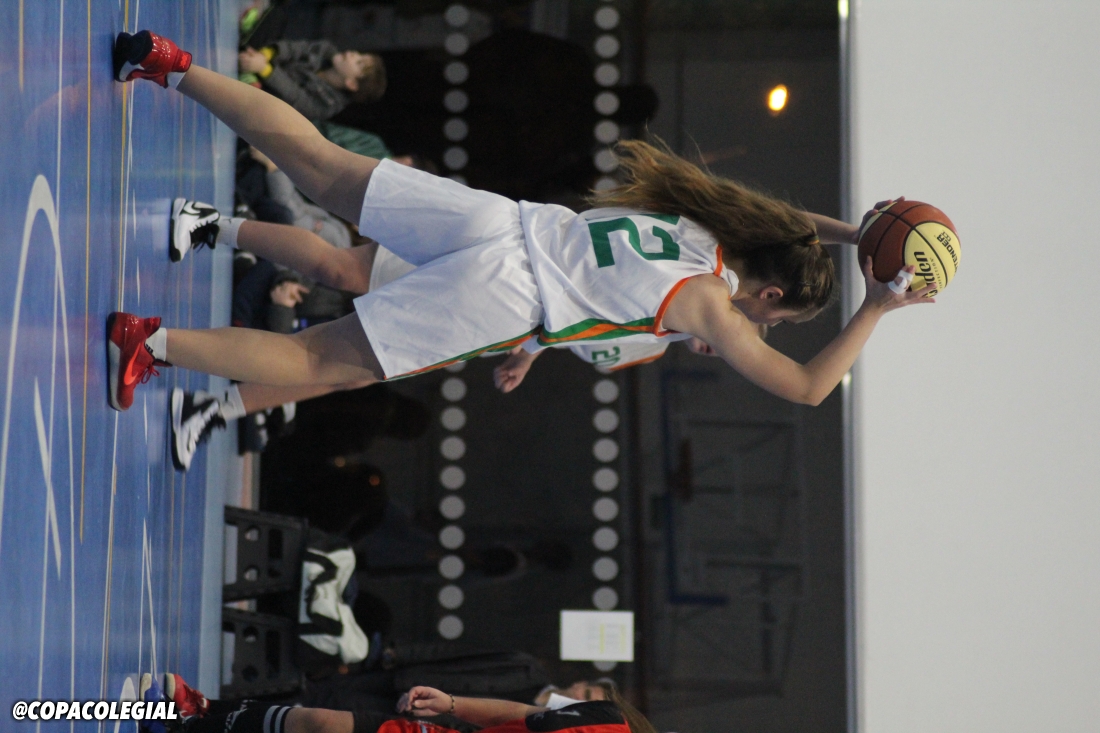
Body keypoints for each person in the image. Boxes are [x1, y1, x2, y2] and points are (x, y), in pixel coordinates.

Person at [108, 30, 931, 416]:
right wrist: (877, 306)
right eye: (775, 318)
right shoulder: (711, 303)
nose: (764, 328)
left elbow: (783, 221)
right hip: (504, 292)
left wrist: (859, 236)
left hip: (498, 222)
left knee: (317, 161)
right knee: (318, 359)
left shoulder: (704, 229)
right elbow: (809, 389)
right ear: (770, 292)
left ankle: (169, 67)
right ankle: (151, 341)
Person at [139, 673, 651, 733]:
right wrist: (452, 702)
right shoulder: (607, 720)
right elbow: (524, 715)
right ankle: (198, 713)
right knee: (319, 722)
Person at [238, 39, 387, 121]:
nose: (353, 54)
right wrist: (266, 54)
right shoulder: (327, 51)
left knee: (257, 102)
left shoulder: (326, 106)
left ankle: (249, 74)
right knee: (275, 19)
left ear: (351, 83)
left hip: (268, 90)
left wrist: (263, 68)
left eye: (359, 62)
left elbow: (293, 93)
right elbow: (295, 49)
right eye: (360, 54)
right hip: (266, 60)